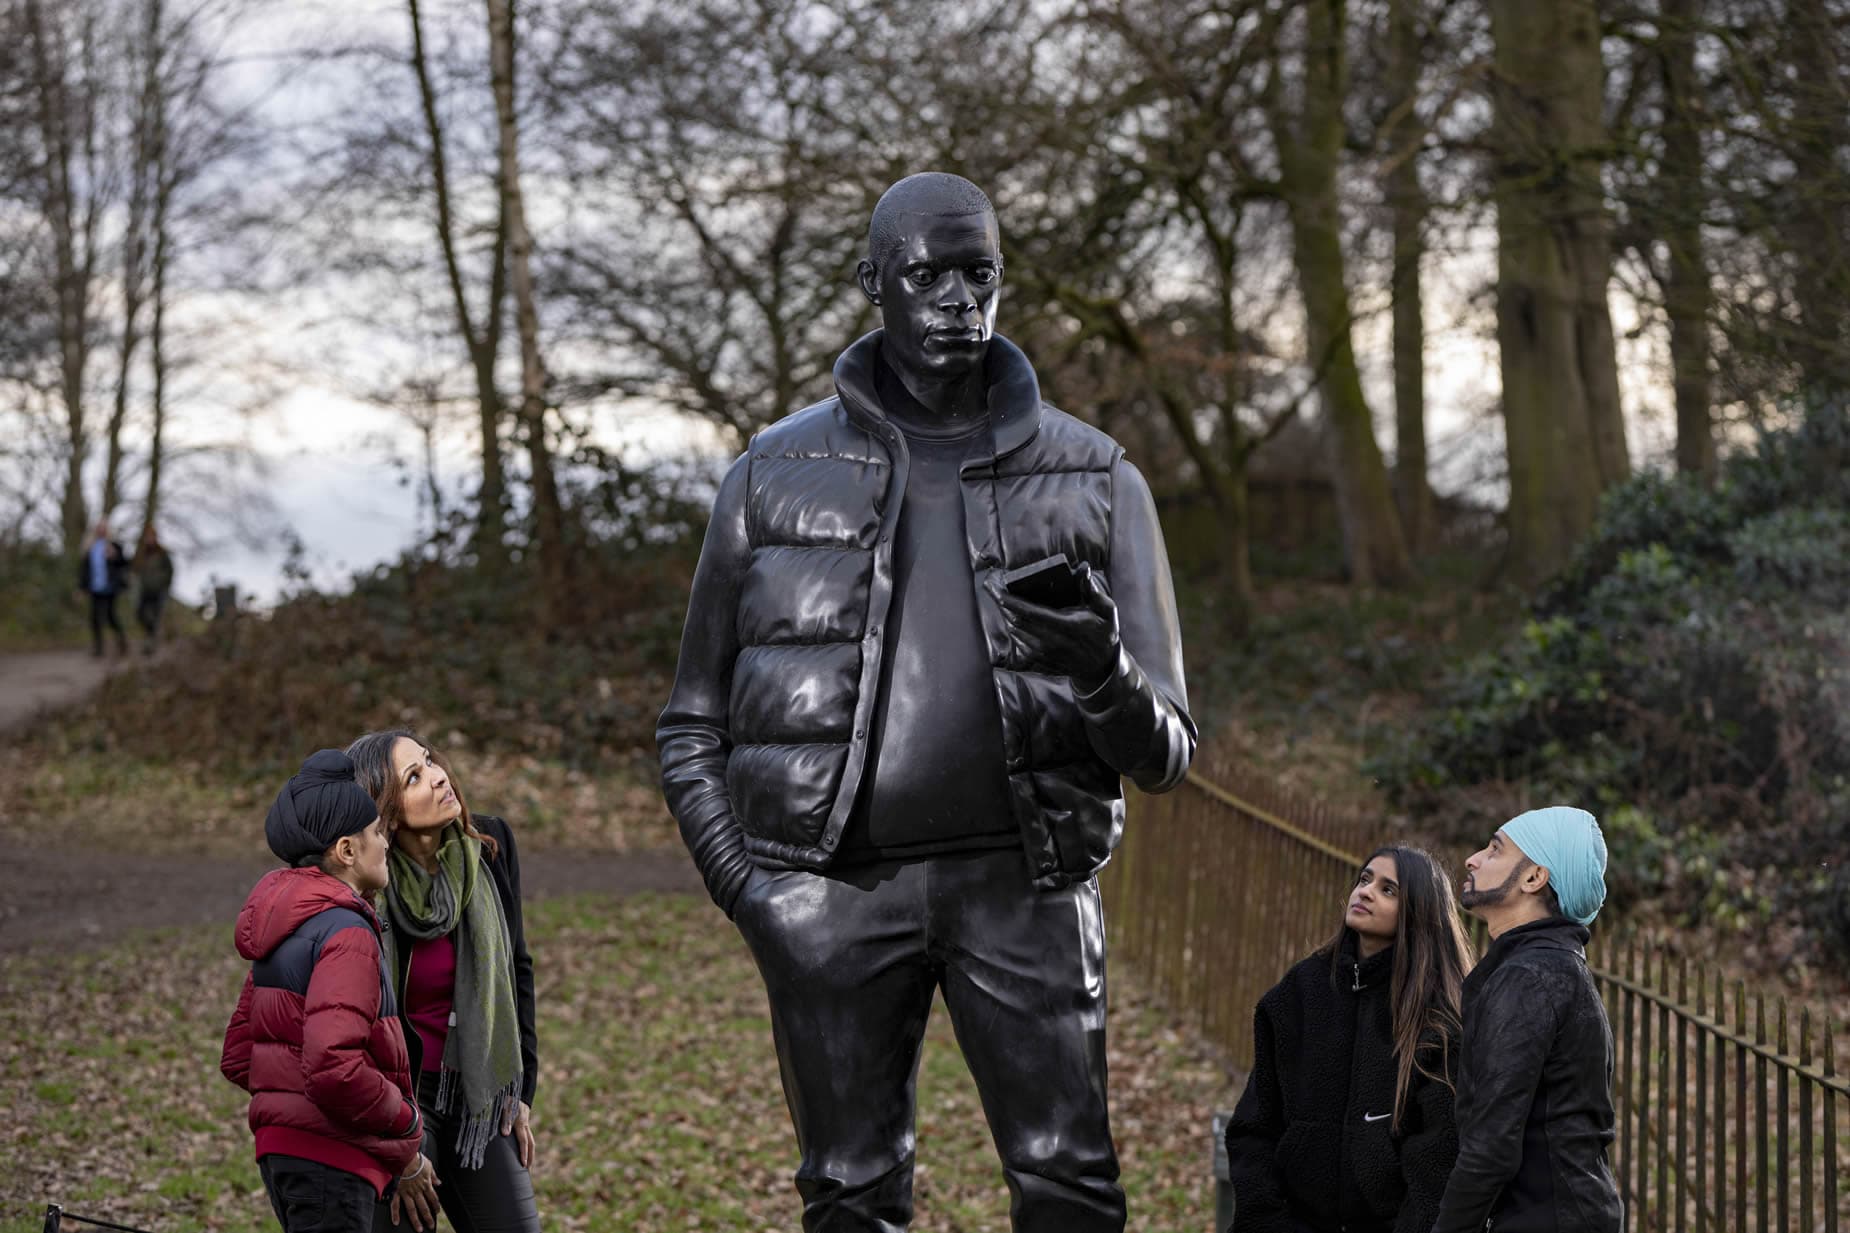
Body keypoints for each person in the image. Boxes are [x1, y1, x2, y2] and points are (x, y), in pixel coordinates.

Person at [657, 171, 1196, 1232]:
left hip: (1028, 892)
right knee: (849, 1193)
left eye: (979, 274)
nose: (958, 300)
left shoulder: (1096, 479)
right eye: (928, 275)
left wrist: (1099, 669)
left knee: (1069, 1186)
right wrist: (754, 895)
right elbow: (690, 722)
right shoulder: (768, 477)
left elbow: (1165, 750)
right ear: (873, 283)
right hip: (831, 900)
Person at [221, 749, 427, 1233]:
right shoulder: (345, 931)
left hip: (283, 1155)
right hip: (331, 1164)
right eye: (377, 833)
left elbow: (238, 1055)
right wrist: (405, 1122)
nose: (385, 844)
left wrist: (292, 1105)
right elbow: (334, 1067)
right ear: (347, 850)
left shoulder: (287, 922)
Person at [346, 729, 540, 1233]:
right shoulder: (365, 886)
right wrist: (398, 1148)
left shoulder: (491, 849)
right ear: (384, 811)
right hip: (399, 1100)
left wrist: (520, 1091)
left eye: (430, 761)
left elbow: (517, 968)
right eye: (414, 776)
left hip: (476, 1087)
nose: (438, 777)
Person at [1223, 845, 1471, 1233]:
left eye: (1389, 890)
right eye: (1365, 879)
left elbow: (1438, 1161)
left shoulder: (1438, 1023)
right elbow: (1254, 1128)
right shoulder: (1297, 995)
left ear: (1418, 913)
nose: (1366, 891)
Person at [1431, 806, 1623, 1232]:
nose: (1473, 859)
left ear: (1534, 877)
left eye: (1495, 850)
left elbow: (1492, 1143)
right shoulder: (1552, 968)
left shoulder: (1530, 977)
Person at [76, 519, 129, 657]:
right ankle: (98, 648)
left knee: (111, 616)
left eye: (104, 528)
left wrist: (114, 555)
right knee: (94, 618)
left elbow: (124, 564)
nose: (101, 530)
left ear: (108, 530)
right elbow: (84, 570)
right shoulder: (90, 547)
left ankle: (122, 642)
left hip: (111, 587)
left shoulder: (114, 546)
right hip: (95, 587)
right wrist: (81, 588)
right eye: (99, 528)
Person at [132, 524, 174, 653]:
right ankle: (150, 636)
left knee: (155, 617)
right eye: (147, 537)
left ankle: (151, 644)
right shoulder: (142, 553)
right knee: (140, 614)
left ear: (155, 537)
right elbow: (136, 568)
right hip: (145, 590)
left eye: (151, 536)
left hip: (158, 591)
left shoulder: (163, 553)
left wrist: (164, 585)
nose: (149, 539)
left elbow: (170, 571)